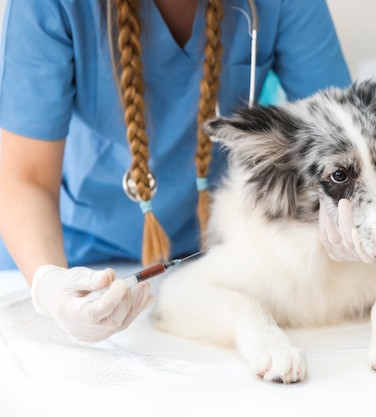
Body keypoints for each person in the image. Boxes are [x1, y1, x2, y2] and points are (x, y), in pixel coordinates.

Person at [0, 0, 356, 343]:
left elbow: (345, 135)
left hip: (213, 256)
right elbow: (23, 178)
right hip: (69, 254)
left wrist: (348, 217)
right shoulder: (49, 5)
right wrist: (50, 285)